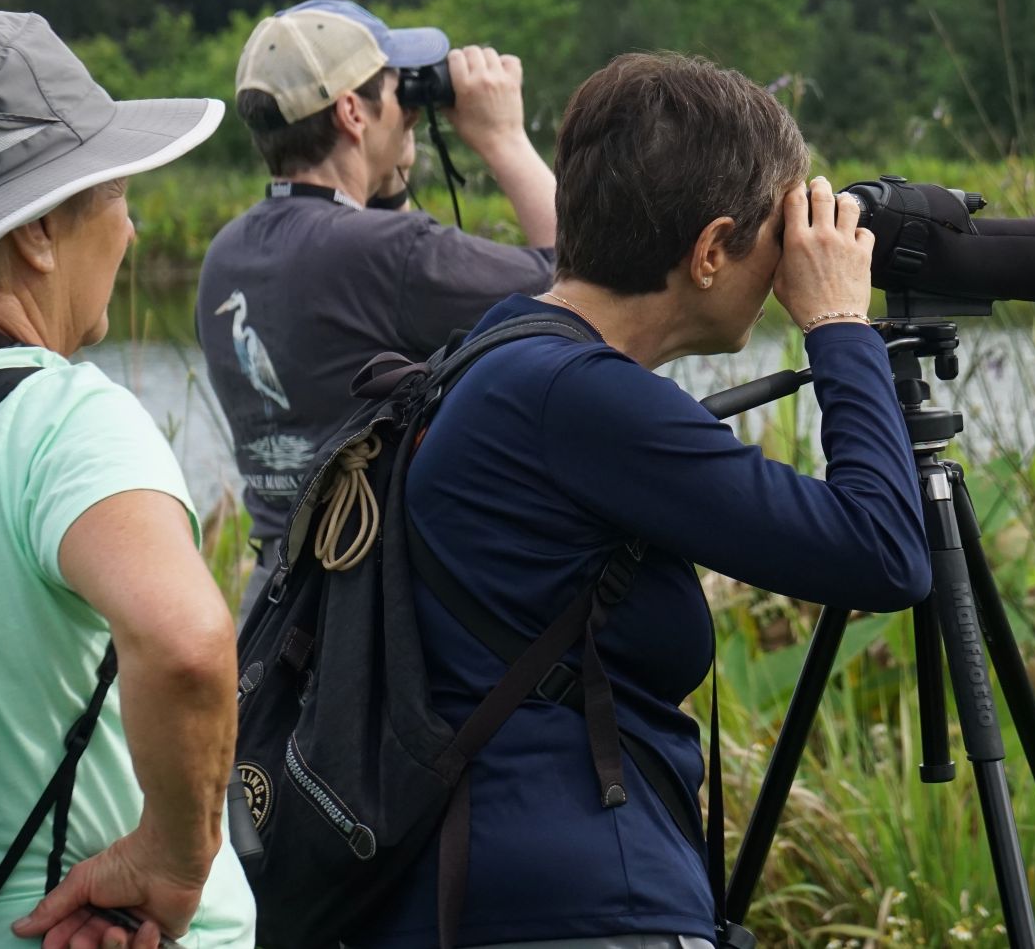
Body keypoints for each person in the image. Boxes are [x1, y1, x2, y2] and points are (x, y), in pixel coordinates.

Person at [353, 53, 929, 949]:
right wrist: (842, 327)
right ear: (709, 249)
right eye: (777, 233)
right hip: (573, 909)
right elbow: (883, 551)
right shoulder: (581, 397)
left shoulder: (499, 349)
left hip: (470, 890)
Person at [0, 12, 255, 949]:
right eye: (116, 193)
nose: (129, 230)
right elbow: (186, 643)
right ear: (40, 231)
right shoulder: (58, 418)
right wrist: (174, 859)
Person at [196, 0, 561, 612]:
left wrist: (382, 176)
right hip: (373, 619)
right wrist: (504, 139)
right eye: (398, 91)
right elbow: (579, 282)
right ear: (351, 112)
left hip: (274, 607)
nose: (412, 111)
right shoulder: (391, 253)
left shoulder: (226, 253)